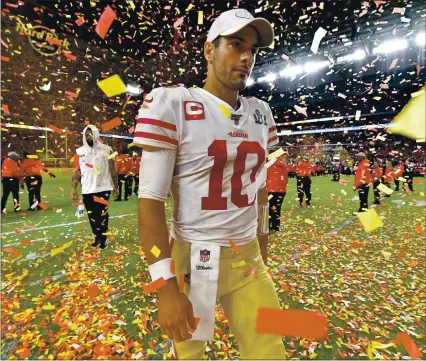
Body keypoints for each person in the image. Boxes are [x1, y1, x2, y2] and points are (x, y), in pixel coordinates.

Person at [135, 8, 286, 360]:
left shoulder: (261, 112)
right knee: (190, 354)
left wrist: (262, 242)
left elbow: (261, 191)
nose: (246, 56)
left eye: (252, 49)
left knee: (270, 353)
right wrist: (165, 288)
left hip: (247, 257)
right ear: (209, 51)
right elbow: (150, 200)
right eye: (235, 44)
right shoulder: (173, 103)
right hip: (196, 258)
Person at [71, 125, 119, 249]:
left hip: (103, 189)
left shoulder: (107, 149)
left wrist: (116, 186)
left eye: (91, 134)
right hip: (87, 190)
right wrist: (73, 188)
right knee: (92, 216)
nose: (89, 137)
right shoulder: (78, 152)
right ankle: (97, 237)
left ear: (96, 134)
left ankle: (103, 239)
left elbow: (113, 169)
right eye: (87, 134)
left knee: (102, 214)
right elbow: (76, 172)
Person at [267, 153, 294, 232]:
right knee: (277, 208)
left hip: (270, 190)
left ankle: (268, 227)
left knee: (268, 209)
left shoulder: (268, 165)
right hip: (281, 191)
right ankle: (276, 226)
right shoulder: (283, 166)